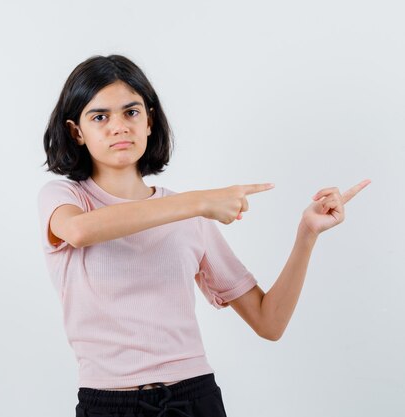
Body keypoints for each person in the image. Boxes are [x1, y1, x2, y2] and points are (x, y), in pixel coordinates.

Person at [37, 54, 370, 417]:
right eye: (100, 116)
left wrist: (307, 234)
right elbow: (80, 231)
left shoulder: (190, 212)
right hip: (108, 402)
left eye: (131, 112)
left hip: (195, 397)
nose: (119, 126)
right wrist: (200, 202)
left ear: (149, 121)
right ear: (76, 131)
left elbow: (269, 322)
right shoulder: (65, 198)